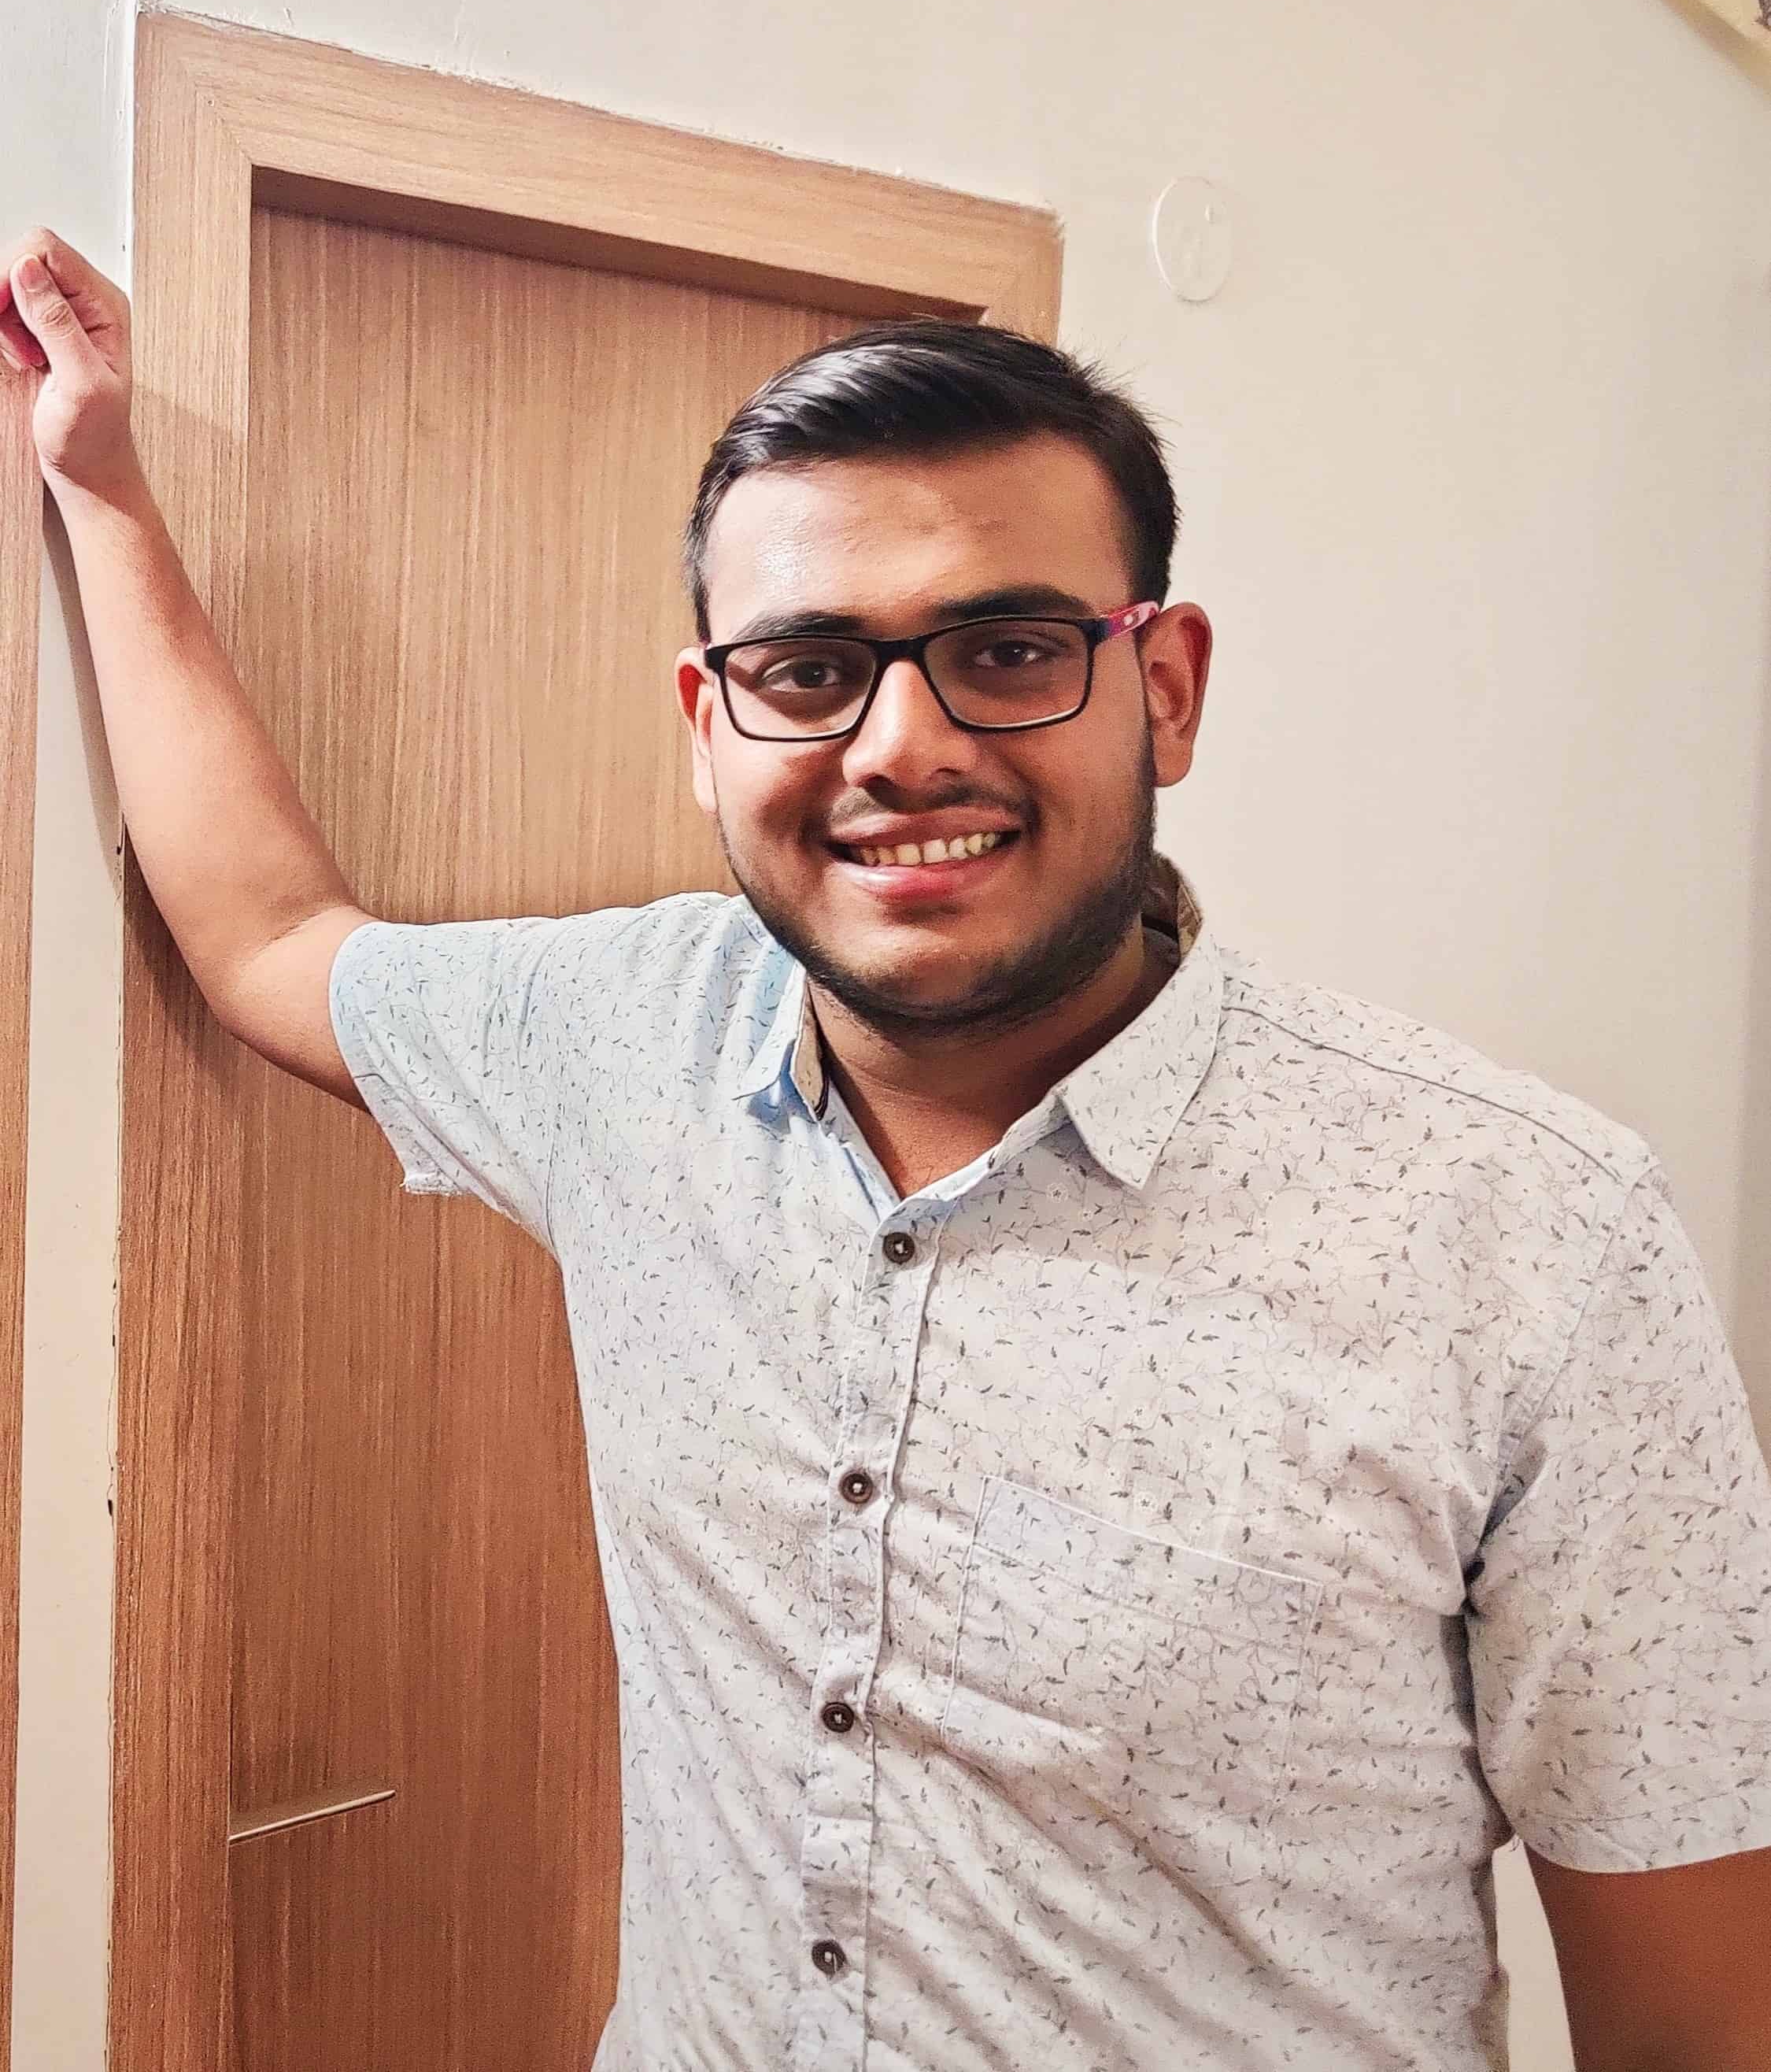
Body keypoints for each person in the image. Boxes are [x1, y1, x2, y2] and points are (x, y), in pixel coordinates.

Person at [5, 225, 1769, 2072]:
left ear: (1164, 687)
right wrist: (100, 486)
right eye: (809, 668)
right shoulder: (628, 1045)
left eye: (1007, 650)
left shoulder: (1526, 1235)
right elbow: (274, 942)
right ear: (710, 725)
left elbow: (1704, 2023)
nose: (903, 746)